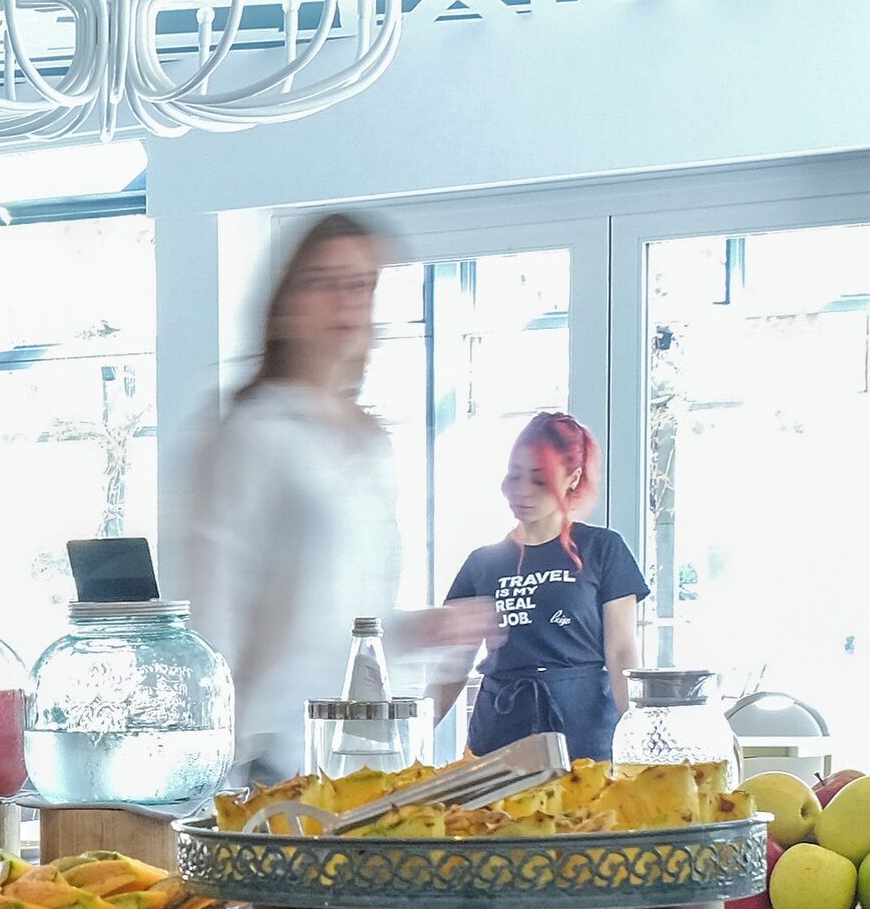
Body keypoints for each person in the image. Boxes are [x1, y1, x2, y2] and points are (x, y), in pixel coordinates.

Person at [171, 211, 404, 782]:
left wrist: (429, 630)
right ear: (287, 303)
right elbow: (214, 598)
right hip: (272, 752)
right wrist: (215, 758)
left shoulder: (370, 441)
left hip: (360, 752)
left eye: (363, 285)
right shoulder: (253, 430)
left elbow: (352, 616)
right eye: (327, 282)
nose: (348, 302)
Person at [436, 411, 644, 759]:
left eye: (539, 480)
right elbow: (454, 664)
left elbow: (621, 652)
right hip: (501, 728)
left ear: (573, 478)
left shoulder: (603, 548)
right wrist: (413, 732)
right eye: (514, 476)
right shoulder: (482, 562)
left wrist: (636, 734)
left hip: (583, 725)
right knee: (493, 815)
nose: (522, 491)